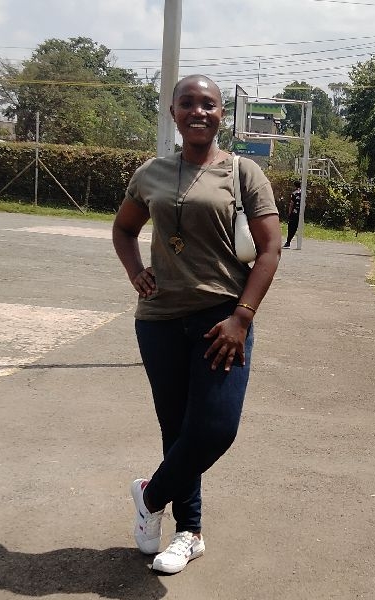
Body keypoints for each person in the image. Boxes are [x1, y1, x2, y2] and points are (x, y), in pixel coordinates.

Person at [112, 74, 281, 574]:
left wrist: (242, 317)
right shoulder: (151, 173)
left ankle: (150, 495)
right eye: (187, 103)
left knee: (215, 428)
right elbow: (124, 229)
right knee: (177, 430)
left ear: (222, 114)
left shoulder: (243, 172)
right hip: (159, 320)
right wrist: (135, 271)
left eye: (208, 104)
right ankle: (189, 532)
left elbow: (270, 249)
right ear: (173, 112)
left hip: (221, 320)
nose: (198, 112)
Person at [282, 180, 302, 248]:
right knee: (296, 227)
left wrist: (289, 213)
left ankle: (288, 242)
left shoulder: (294, 193)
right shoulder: (304, 193)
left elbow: (291, 204)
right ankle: (290, 241)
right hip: (301, 213)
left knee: (291, 227)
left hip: (294, 213)